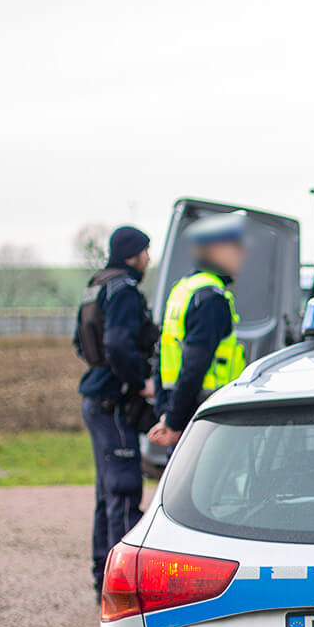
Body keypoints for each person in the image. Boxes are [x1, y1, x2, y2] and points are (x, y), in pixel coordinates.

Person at [75, 225, 155, 597]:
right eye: (145, 252)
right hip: (116, 401)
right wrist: (139, 382)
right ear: (132, 254)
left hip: (96, 396)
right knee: (122, 489)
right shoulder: (123, 289)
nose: (148, 259)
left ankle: (101, 573)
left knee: (107, 492)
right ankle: (122, 587)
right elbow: (119, 343)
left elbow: (81, 342)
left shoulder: (97, 285)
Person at [149, 212, 247, 449]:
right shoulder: (211, 298)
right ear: (216, 250)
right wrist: (173, 422)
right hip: (208, 412)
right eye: (236, 247)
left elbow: (162, 354)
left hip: (187, 410)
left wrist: (167, 411)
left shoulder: (185, 289)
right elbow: (194, 366)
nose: (243, 254)